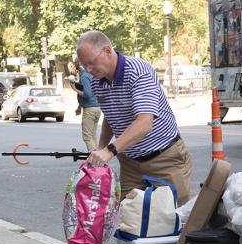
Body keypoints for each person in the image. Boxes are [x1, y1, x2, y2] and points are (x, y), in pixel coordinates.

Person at [75, 30, 192, 205]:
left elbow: (144, 123)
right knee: (130, 221)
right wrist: (100, 148)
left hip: (164, 158)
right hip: (130, 163)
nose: (89, 70)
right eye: (85, 66)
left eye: (91, 63)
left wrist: (109, 151)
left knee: (173, 221)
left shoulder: (138, 71)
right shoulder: (96, 81)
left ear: (107, 51)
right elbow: (111, 115)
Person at [69, 64, 102, 152]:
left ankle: (95, 159)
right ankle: (97, 158)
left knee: (87, 136)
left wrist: (74, 88)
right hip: (97, 108)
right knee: (93, 135)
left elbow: (87, 94)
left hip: (90, 110)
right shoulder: (93, 74)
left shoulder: (84, 76)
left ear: (78, 67)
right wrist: (79, 107)